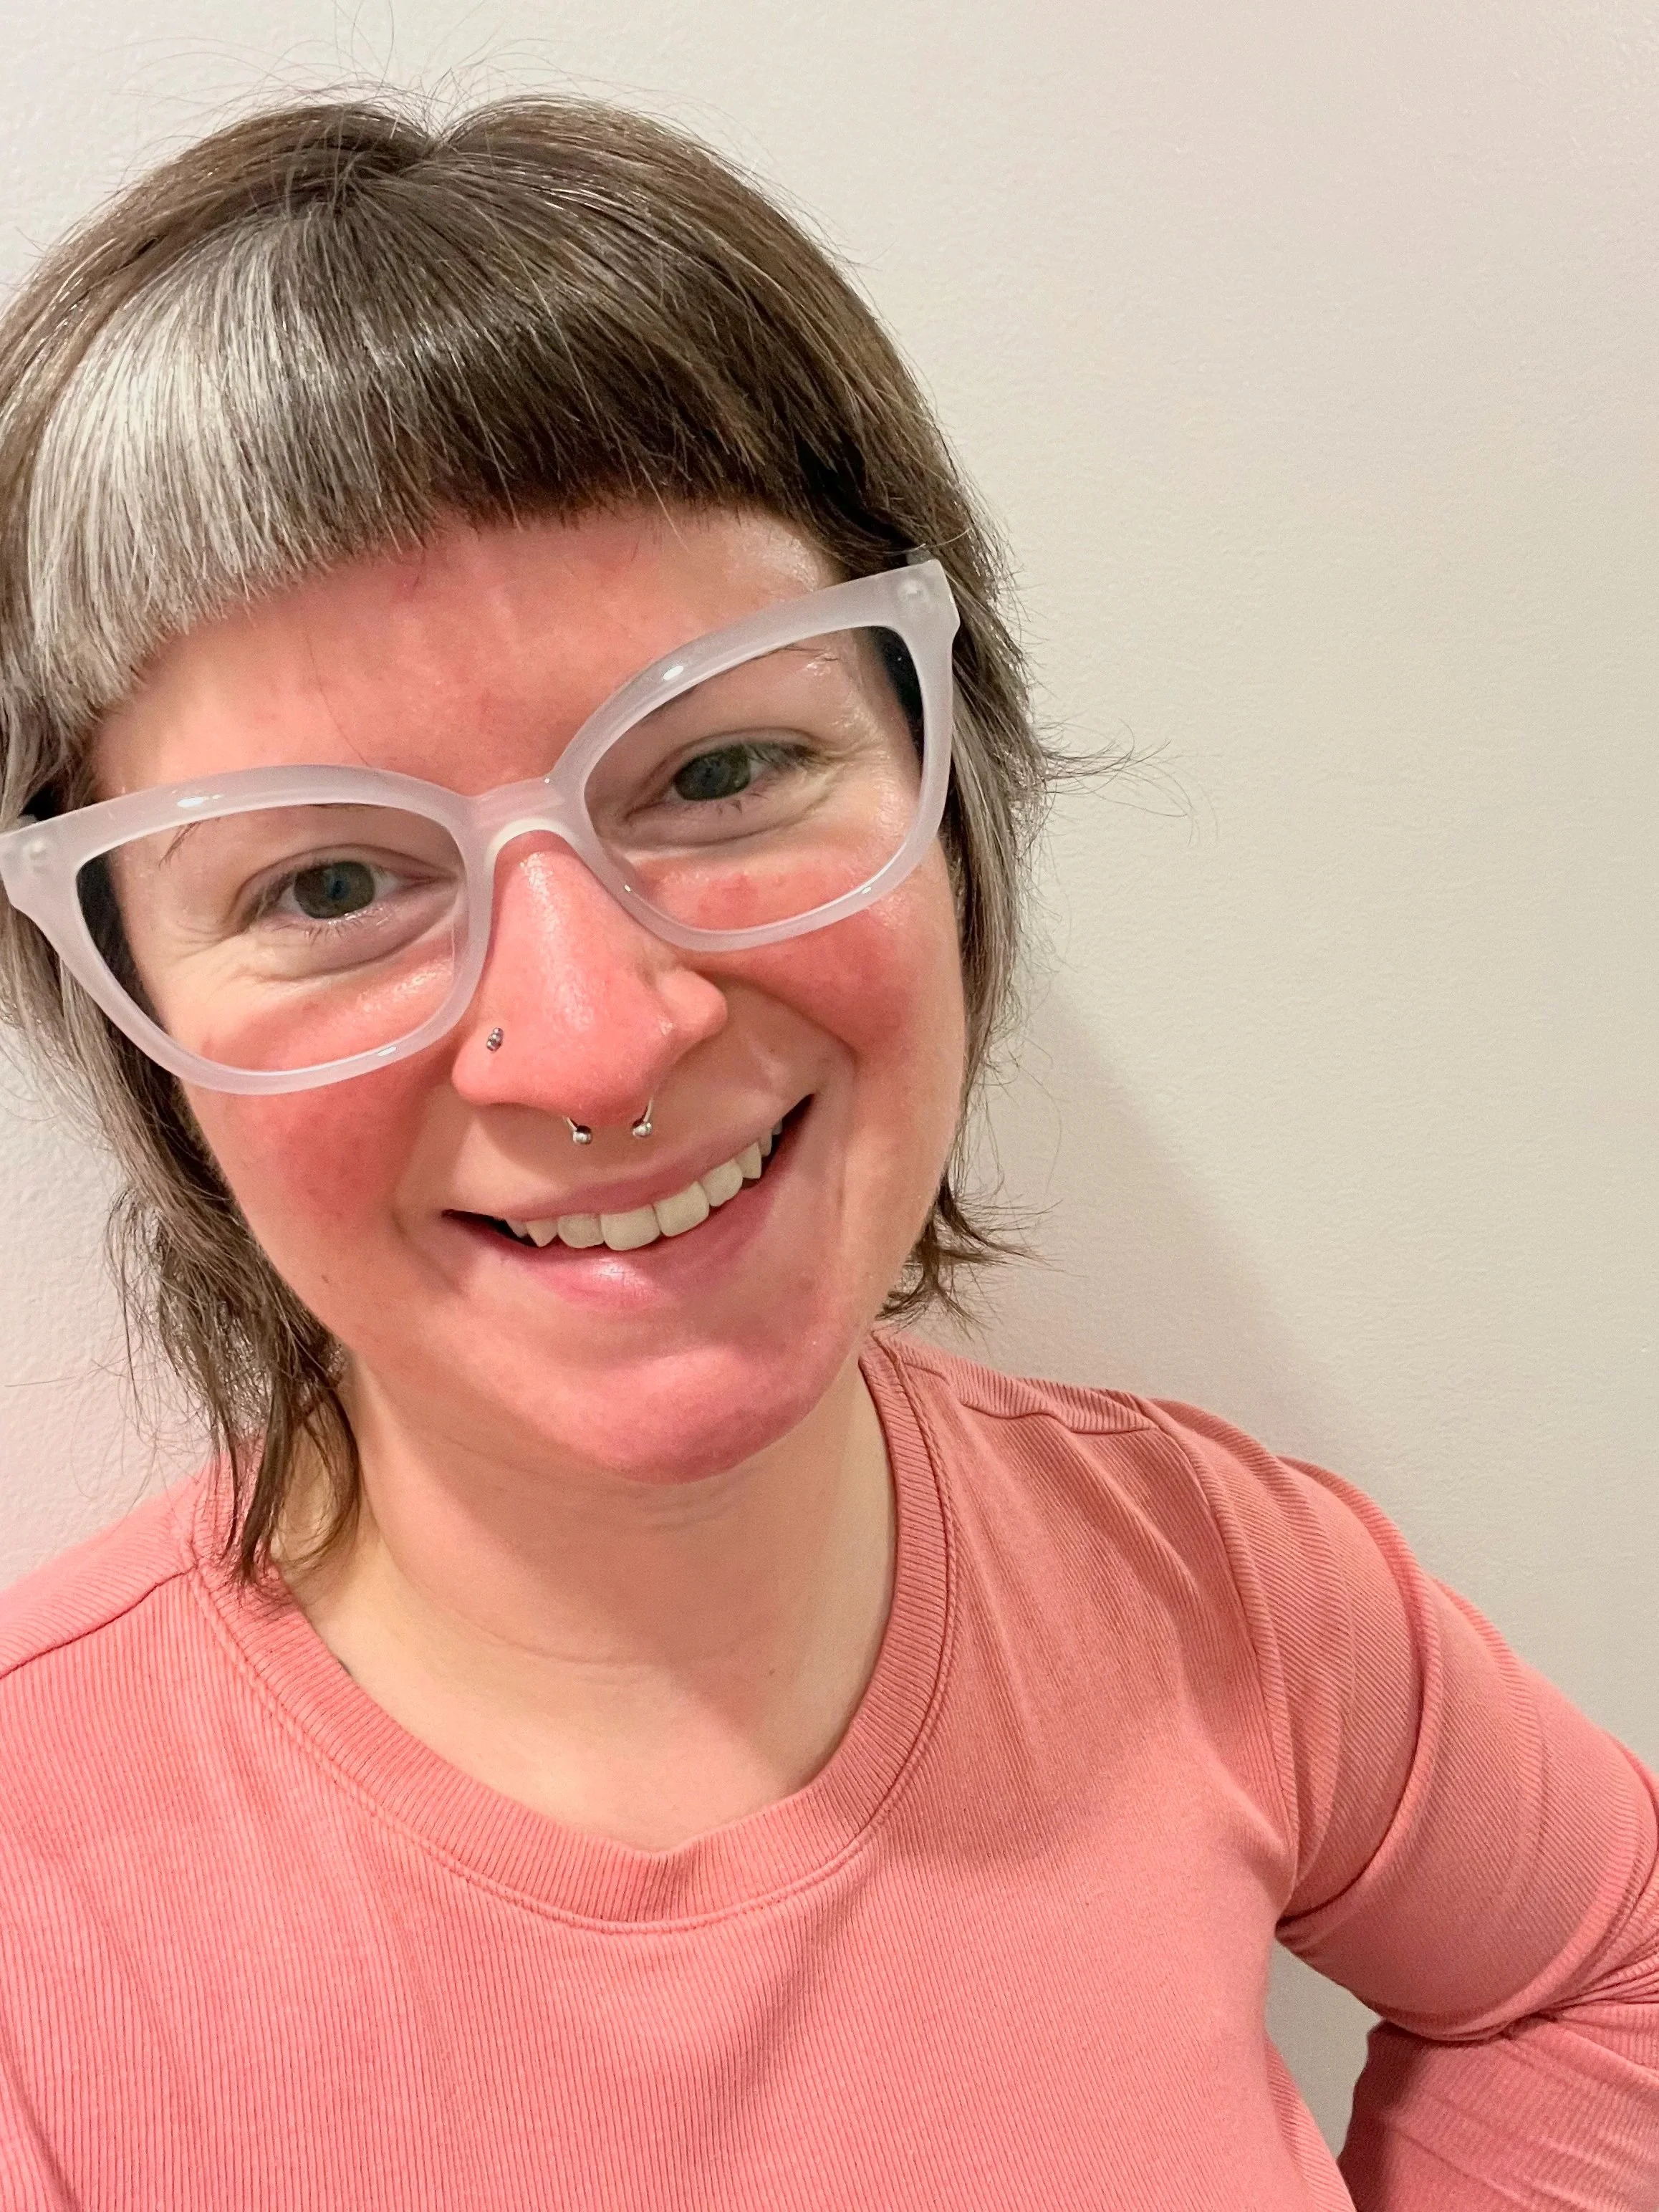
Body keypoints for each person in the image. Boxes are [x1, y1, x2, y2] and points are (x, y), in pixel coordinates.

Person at [0, 93, 1653, 2212]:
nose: (593, 1036)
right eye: (329, 888)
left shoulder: (1229, 1591)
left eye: (722, 766)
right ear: (138, 1033)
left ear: (948, 801)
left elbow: (1604, 1960)